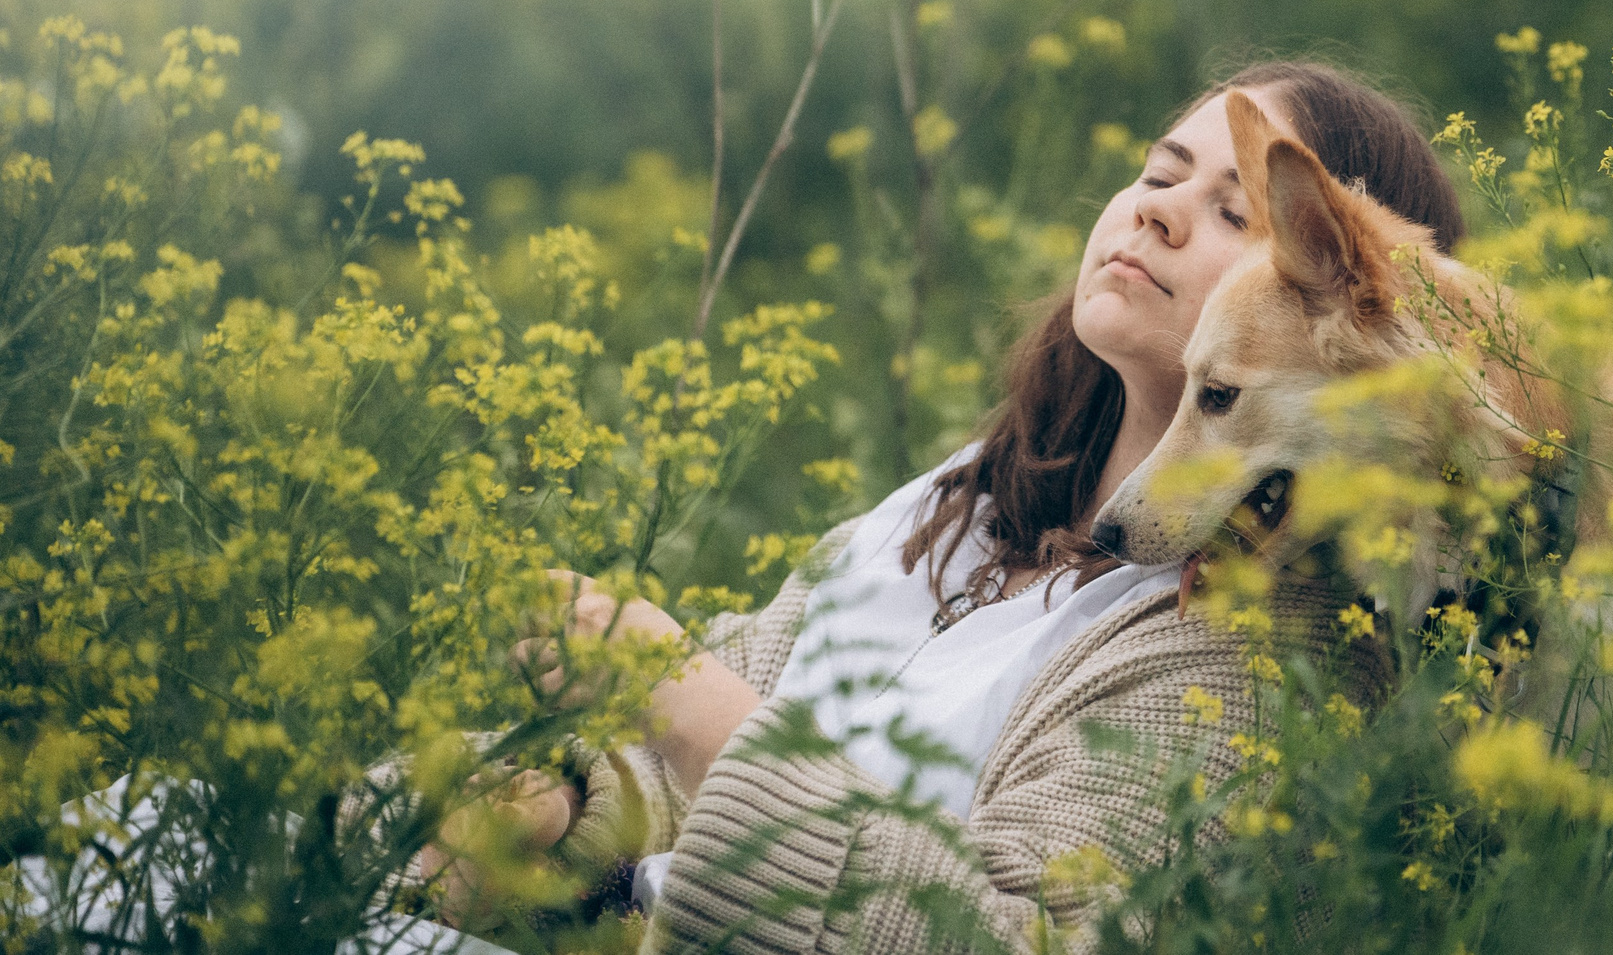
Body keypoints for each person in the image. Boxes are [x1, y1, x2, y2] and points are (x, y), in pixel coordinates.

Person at [492, 61, 1462, 953]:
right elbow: (685, 735)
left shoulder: (1260, 656)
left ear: (1338, 300)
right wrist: (547, 807)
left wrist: (697, 714)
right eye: (1159, 174)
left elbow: (1025, 935)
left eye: (1234, 213)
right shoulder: (967, 499)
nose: (1156, 215)